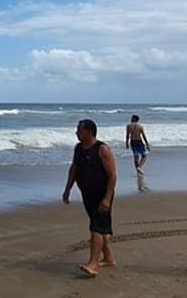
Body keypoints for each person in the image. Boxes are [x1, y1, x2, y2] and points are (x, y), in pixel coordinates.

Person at [63, 119, 118, 277]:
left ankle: (93, 264)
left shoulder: (102, 149)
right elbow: (74, 168)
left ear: (89, 131)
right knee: (98, 226)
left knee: (96, 228)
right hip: (87, 194)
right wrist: (67, 189)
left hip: (102, 195)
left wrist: (107, 198)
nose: (77, 133)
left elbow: (113, 175)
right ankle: (108, 258)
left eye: (79, 130)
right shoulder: (78, 148)